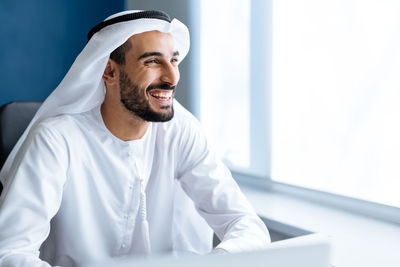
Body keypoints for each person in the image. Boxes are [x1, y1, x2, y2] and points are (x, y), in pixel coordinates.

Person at [0, 10, 270, 267]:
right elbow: (10, 253)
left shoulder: (182, 131)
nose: (171, 76)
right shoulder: (57, 140)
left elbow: (247, 226)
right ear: (109, 72)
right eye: (153, 61)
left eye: (173, 60)